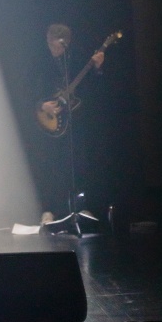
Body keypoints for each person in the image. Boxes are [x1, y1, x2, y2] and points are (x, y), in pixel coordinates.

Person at [35, 23, 104, 223]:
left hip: (74, 121)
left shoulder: (75, 62)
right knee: (52, 166)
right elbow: (26, 90)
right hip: (49, 121)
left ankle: (81, 208)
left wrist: (97, 69)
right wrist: (41, 105)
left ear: (67, 44)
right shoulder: (40, 62)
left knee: (79, 164)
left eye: (57, 46)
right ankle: (49, 209)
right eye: (50, 44)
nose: (53, 49)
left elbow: (92, 89)